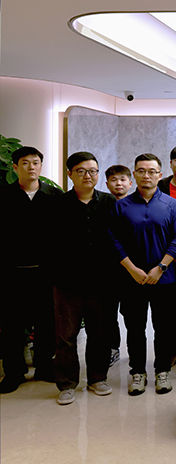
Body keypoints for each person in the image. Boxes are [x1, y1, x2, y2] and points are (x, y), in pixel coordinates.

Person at [109, 153, 176, 396]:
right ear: (134, 174)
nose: (146, 175)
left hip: (165, 278)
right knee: (135, 328)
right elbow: (114, 240)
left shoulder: (173, 205)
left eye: (152, 171)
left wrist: (160, 268)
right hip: (132, 279)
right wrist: (132, 269)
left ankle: (162, 371)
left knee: (164, 328)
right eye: (141, 171)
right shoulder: (121, 206)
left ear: (160, 175)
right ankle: (137, 373)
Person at [52, 152, 116, 405]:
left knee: (99, 333)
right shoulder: (58, 204)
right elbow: (50, 243)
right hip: (68, 282)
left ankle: (97, 378)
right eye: (81, 171)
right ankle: (67, 384)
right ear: (70, 174)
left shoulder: (109, 203)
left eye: (93, 171)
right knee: (66, 337)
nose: (88, 175)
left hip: (102, 282)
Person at [0, 146, 63, 393]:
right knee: (12, 324)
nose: (31, 167)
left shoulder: (54, 196)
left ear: (41, 166)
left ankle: (44, 366)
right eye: (25, 163)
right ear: (15, 167)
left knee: (46, 322)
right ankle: (14, 372)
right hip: (11, 272)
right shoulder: (4, 196)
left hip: (46, 272)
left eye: (35, 162)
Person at [104, 164, 133, 367]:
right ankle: (112, 349)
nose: (118, 183)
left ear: (130, 183)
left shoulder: (136, 206)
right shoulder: (102, 205)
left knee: (131, 315)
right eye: (114, 180)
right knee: (107, 314)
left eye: (122, 179)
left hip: (131, 270)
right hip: (107, 270)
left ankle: (134, 351)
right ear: (107, 184)